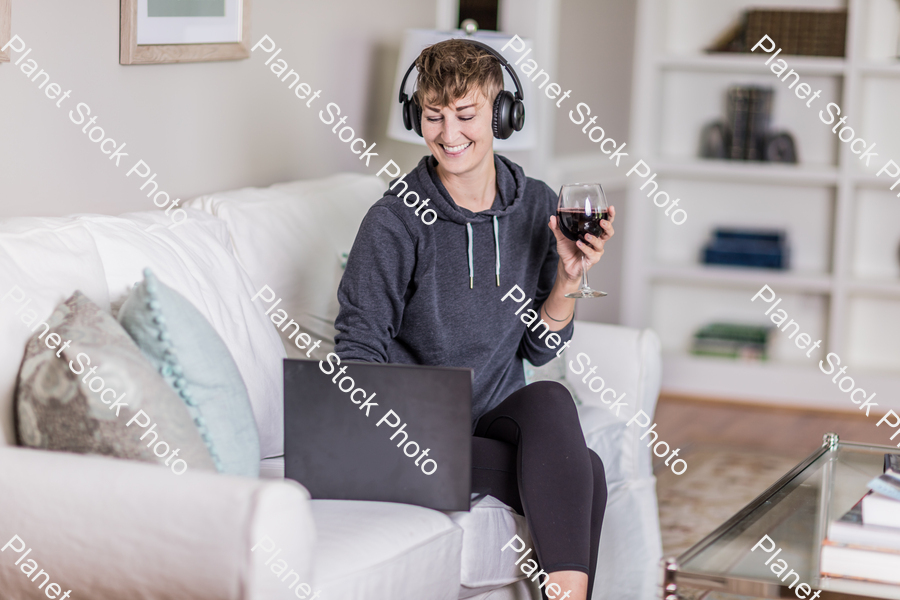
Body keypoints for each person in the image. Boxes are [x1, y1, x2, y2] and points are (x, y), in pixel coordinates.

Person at [333, 38, 615, 600]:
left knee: (551, 400)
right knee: (584, 473)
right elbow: (358, 353)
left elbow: (539, 349)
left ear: (502, 115)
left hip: (492, 416)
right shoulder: (395, 220)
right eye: (433, 117)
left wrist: (568, 278)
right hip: (411, 432)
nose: (449, 133)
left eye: (466, 115)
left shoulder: (536, 204)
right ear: (417, 117)